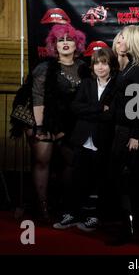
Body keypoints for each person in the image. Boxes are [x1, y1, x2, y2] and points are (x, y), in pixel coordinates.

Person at [52, 47, 118, 231]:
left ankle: (94, 216)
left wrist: (91, 110)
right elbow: (75, 107)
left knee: (98, 182)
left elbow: (111, 115)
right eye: (96, 63)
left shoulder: (117, 86)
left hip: (103, 141)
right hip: (82, 140)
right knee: (77, 180)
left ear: (111, 65)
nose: (100, 67)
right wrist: (98, 108)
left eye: (104, 63)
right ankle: (72, 214)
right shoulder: (86, 84)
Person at [30, 24, 89, 221]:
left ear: (77, 43)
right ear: (54, 45)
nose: (65, 43)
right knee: (42, 161)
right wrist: (40, 126)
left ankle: (67, 206)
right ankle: (43, 207)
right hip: (45, 119)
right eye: (60, 40)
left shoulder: (84, 67)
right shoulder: (44, 68)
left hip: (70, 124)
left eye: (69, 39)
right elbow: (38, 98)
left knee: (71, 162)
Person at [104, 25, 139, 245]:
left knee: (126, 179)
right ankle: (128, 226)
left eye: (123, 37)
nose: (119, 40)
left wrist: (136, 135)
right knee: (122, 179)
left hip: (130, 133)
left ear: (133, 41)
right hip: (122, 129)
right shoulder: (130, 67)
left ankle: (130, 229)